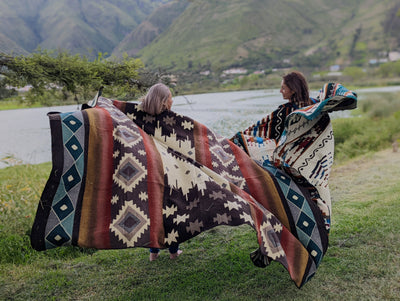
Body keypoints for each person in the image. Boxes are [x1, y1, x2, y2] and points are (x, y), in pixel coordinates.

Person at [140, 82, 183, 261]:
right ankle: (173, 252)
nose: (173, 100)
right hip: (168, 169)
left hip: (147, 168)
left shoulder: (139, 117)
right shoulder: (170, 119)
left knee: (153, 210)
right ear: (164, 101)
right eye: (171, 97)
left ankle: (153, 253)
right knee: (172, 208)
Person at [231, 71, 315, 152]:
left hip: (290, 151)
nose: (280, 91)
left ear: (293, 90)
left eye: (283, 88)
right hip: (308, 147)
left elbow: (260, 127)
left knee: (238, 138)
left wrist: (239, 137)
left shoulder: (284, 112)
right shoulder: (312, 105)